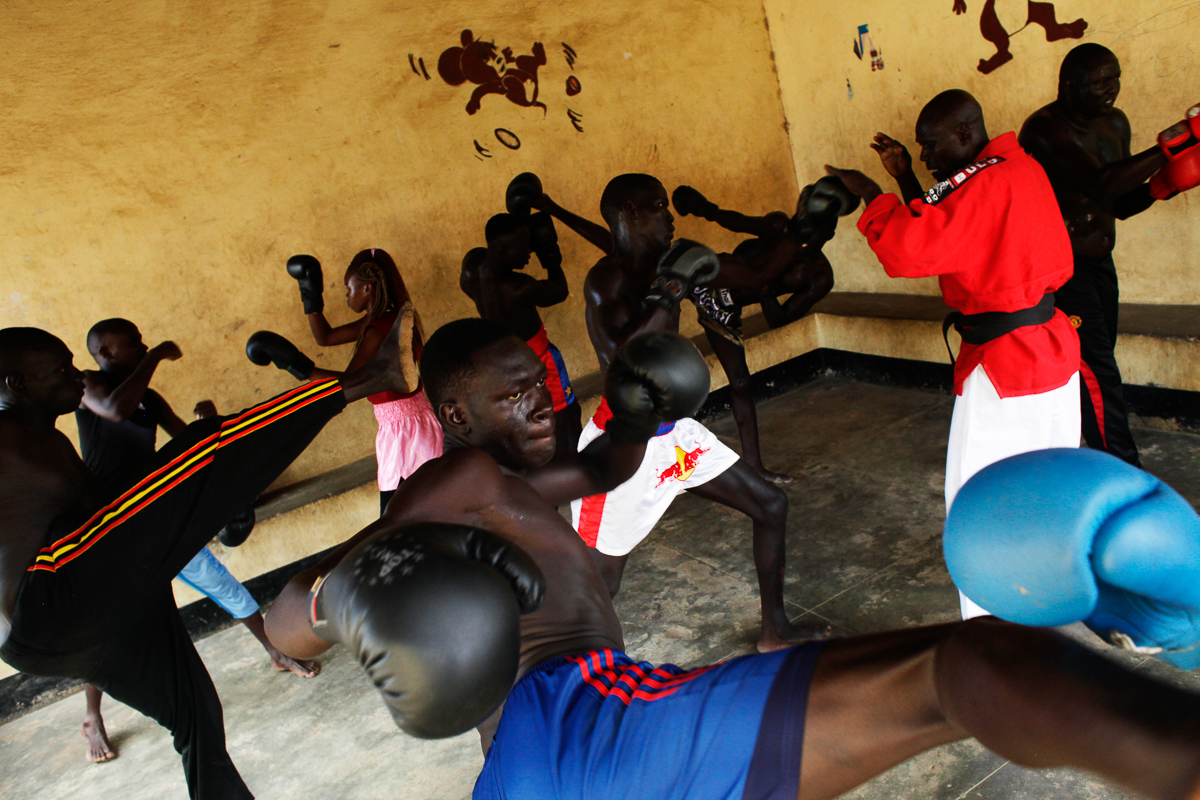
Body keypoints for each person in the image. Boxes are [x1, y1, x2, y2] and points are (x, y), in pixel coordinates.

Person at [266, 319, 1200, 800]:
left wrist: (638, 413)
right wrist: (337, 603)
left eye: (541, 385)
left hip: (520, 768)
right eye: (516, 398)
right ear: (457, 416)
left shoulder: (507, 477)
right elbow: (286, 616)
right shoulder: (458, 476)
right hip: (579, 715)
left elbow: (601, 468)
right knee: (968, 666)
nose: (543, 404)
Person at [0, 320, 412, 799]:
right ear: (18, 383)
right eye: (61, 369)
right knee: (202, 448)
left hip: (63, 632)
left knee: (196, 714)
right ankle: (368, 378)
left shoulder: (45, 439)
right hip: (48, 598)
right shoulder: (6, 437)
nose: (76, 375)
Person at [826, 89, 1081, 620]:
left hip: (1007, 368)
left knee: (980, 504)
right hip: (1051, 352)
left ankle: (991, 632)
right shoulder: (1018, 167)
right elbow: (949, 218)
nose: (925, 158)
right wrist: (903, 178)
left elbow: (908, 248)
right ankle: (1045, 603)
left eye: (931, 145)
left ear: (965, 134)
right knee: (1048, 493)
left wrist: (874, 196)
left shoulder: (983, 182)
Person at [575, 172, 846, 652]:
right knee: (601, 578)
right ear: (631, 213)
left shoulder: (674, 260)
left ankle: (775, 630)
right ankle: (569, 671)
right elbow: (623, 360)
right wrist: (669, 289)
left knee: (771, 505)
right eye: (659, 206)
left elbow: (757, 275)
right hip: (622, 444)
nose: (669, 217)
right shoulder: (606, 280)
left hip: (673, 432)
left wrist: (801, 228)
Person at [73, 318, 319, 763]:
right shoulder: (90, 385)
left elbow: (187, 442)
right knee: (110, 622)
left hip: (154, 512)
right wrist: (155, 356)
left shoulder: (147, 398)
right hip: (112, 525)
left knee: (218, 581)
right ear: (105, 353)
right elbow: (114, 409)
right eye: (133, 343)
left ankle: (275, 649)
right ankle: (92, 715)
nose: (142, 345)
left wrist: (207, 424)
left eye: (143, 342)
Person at [1018, 43, 1192, 467]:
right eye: (1100, 83)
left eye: (1115, 79)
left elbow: (1119, 202)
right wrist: (1171, 146)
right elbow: (1100, 183)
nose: (1111, 89)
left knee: (1094, 366)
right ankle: (1124, 472)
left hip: (1100, 264)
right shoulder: (1043, 129)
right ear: (1069, 85)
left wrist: (1163, 186)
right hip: (1061, 269)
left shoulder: (1115, 123)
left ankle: (1082, 457)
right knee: (1098, 371)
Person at [669, 181, 850, 483]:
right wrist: (703, 208)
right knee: (658, 311)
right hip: (709, 275)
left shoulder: (819, 276)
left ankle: (754, 466)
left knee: (740, 381)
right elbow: (733, 220)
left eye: (819, 230)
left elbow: (780, 319)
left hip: (723, 309)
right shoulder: (779, 227)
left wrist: (764, 292)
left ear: (829, 234)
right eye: (808, 224)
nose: (810, 235)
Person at [287, 248, 441, 513]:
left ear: (367, 289)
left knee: (399, 517)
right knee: (416, 512)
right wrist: (310, 294)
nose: (347, 296)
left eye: (349, 289)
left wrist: (299, 367)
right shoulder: (384, 319)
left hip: (405, 433)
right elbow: (325, 337)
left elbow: (350, 383)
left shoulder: (379, 329)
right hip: (410, 424)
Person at [460, 199, 583, 454]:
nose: (530, 250)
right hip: (538, 359)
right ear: (503, 249)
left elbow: (498, 242)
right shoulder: (518, 287)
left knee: (528, 418)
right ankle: (574, 467)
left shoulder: (472, 267)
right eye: (524, 246)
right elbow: (559, 291)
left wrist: (521, 223)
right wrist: (549, 255)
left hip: (503, 362)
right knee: (566, 417)